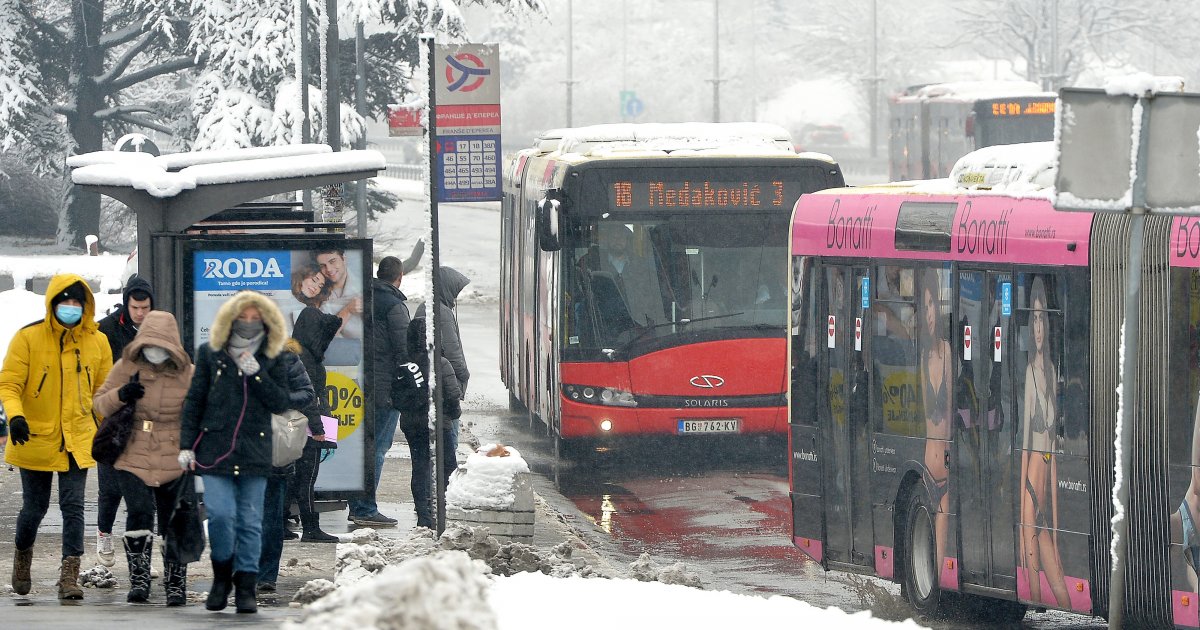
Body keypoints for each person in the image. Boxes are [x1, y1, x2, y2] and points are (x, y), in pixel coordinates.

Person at [178, 290, 292, 614]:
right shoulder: (210, 354)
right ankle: (220, 578)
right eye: (243, 318)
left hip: (254, 451)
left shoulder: (275, 355)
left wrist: (256, 373)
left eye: (256, 319)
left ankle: (246, 585)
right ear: (231, 319)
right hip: (216, 451)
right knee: (221, 515)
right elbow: (194, 402)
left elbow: (281, 402)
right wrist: (185, 445)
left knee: (251, 521)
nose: (249, 324)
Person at [0, 275, 112, 599]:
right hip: (34, 436)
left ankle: (69, 577)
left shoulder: (97, 341)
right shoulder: (28, 338)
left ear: (85, 305)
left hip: (78, 437)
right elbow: (9, 384)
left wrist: (107, 431)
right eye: (65, 302)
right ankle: (23, 556)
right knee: (33, 508)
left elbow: (102, 393)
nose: (71, 308)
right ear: (53, 304)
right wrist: (16, 416)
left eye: (77, 302)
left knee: (74, 506)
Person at [92, 310, 194, 605]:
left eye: (162, 346)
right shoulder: (126, 367)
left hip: (174, 454)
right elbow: (100, 404)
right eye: (150, 344)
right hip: (133, 450)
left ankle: (176, 584)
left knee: (172, 519)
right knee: (138, 512)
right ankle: (139, 580)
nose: (155, 351)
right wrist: (122, 394)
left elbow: (206, 407)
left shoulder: (189, 372)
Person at [94, 275, 155, 568]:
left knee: (144, 493)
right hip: (114, 418)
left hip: (148, 420)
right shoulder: (106, 330)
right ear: (126, 303)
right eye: (135, 307)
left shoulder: (159, 330)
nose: (140, 313)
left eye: (145, 307)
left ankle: (141, 554)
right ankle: (104, 534)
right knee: (110, 487)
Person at [348, 256, 410, 526]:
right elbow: (404, 350)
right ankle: (364, 508)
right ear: (399, 276)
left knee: (363, 446)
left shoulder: (363, 298)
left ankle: (356, 502)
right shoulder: (394, 305)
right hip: (385, 389)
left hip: (358, 384)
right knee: (377, 447)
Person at [1019, 276, 1069, 607]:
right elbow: (1026, 446)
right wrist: (1020, 523)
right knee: (1034, 594)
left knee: (1062, 593)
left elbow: (1051, 453)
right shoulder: (1029, 373)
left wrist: (1056, 521)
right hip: (1028, 491)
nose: (1038, 327)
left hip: (1045, 493)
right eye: (1033, 318)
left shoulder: (1051, 370)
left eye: (1042, 319)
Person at [257, 334, 318, 594]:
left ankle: (266, 575)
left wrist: (280, 400)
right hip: (239, 448)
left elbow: (307, 393)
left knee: (271, 516)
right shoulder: (229, 356)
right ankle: (244, 570)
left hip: (275, 447)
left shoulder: (286, 357)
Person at [285, 306, 343, 543]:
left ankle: (280, 523)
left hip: (293, 426)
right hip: (306, 428)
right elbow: (310, 398)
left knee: (291, 478)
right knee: (307, 478)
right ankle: (311, 528)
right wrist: (320, 430)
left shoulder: (296, 352)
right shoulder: (307, 358)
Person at [416, 266, 471, 488]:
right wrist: (463, 377)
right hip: (445, 388)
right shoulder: (442, 312)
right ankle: (444, 498)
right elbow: (453, 352)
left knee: (427, 455)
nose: (456, 298)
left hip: (427, 388)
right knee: (449, 446)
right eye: (454, 292)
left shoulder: (424, 307)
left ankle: (430, 499)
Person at [918, 269, 952, 577]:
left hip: (946, 465)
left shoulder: (947, 352)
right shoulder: (924, 357)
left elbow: (951, 409)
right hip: (928, 468)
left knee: (940, 560)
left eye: (932, 305)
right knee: (933, 554)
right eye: (923, 306)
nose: (929, 313)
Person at [316, 248, 364, 339]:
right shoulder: (318, 292)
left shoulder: (363, 287)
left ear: (344, 259)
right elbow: (321, 337)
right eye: (323, 266)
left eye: (332, 261)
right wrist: (347, 310)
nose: (329, 269)